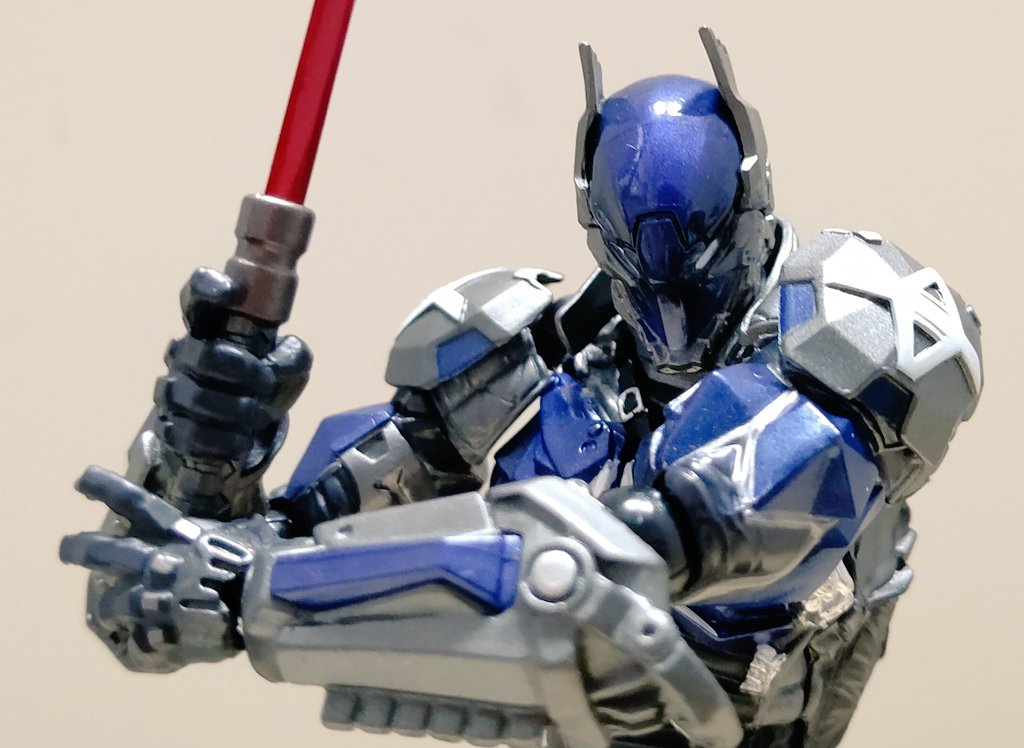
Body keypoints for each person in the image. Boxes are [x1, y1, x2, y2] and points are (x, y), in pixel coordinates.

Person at [61, 29, 982, 748]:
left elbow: (688, 536)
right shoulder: (511, 364)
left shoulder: (853, 328)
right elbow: (181, 583)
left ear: (750, 206)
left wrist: (278, 591)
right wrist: (206, 470)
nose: (672, 302)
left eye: (697, 255)